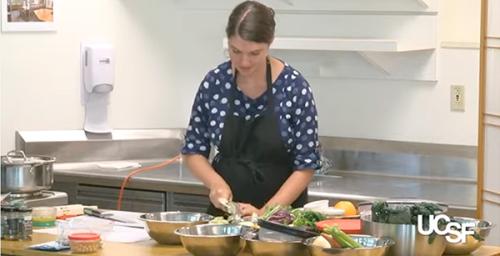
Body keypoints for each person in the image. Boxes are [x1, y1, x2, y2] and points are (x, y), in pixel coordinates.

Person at [181, 0, 320, 217]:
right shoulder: (215, 82)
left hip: (280, 222)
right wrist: (217, 185)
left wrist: (265, 213)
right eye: (235, 51)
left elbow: (305, 166)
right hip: (227, 217)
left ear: (270, 43)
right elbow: (193, 151)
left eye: (254, 53)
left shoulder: (294, 87)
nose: (244, 62)